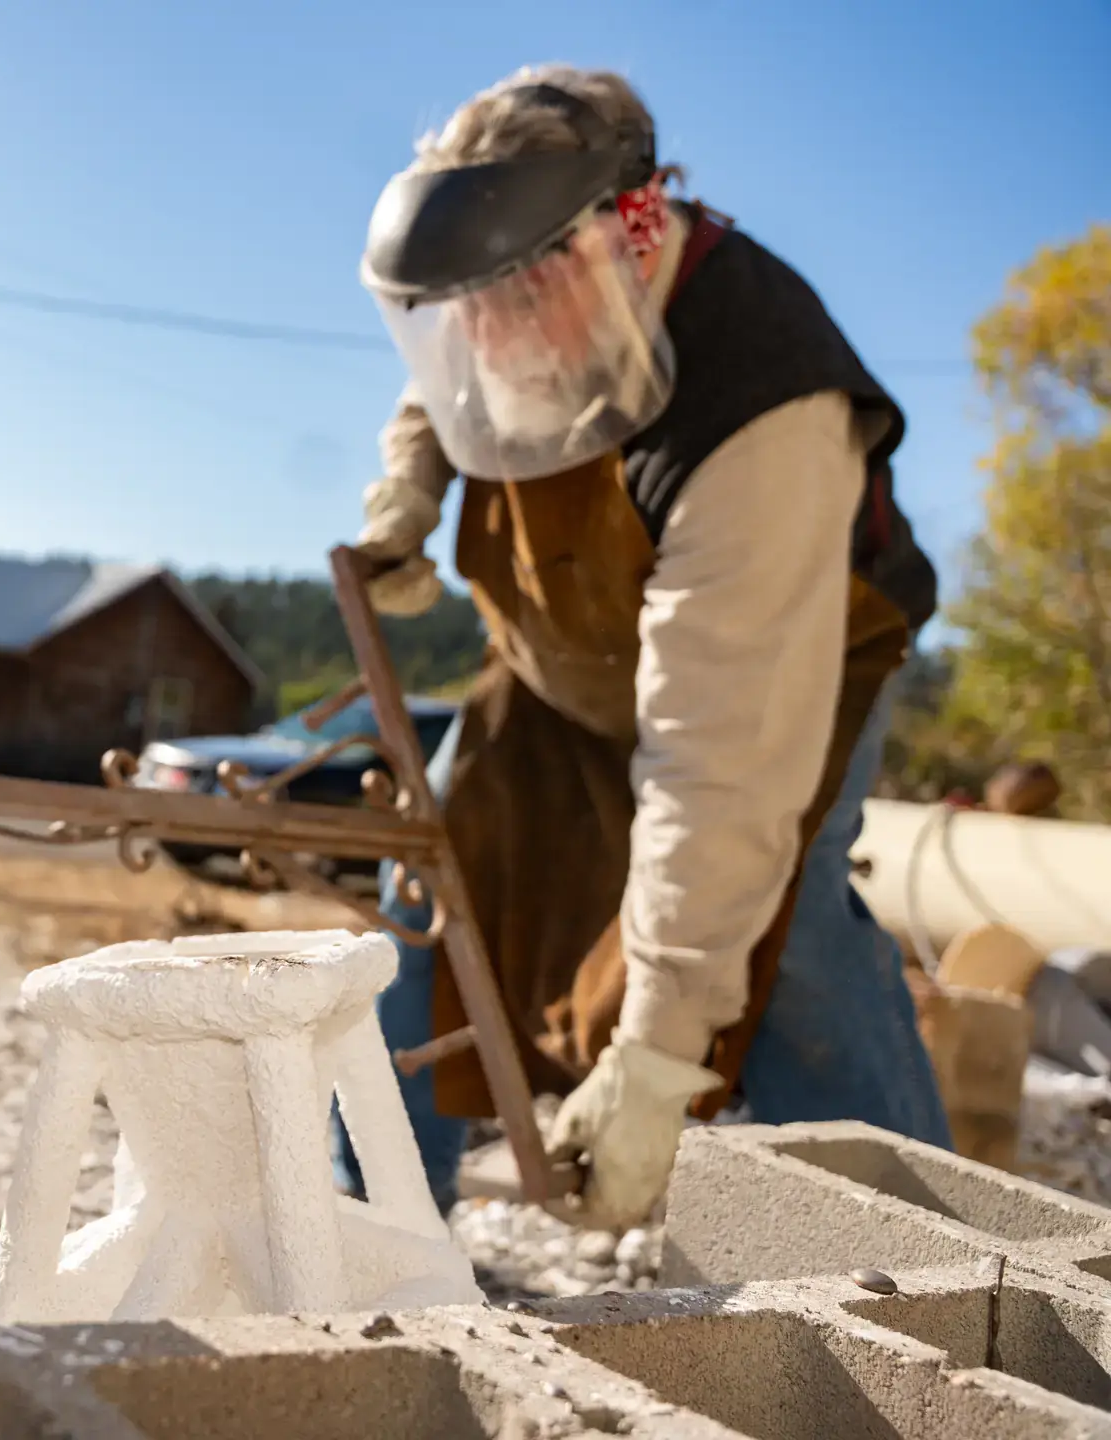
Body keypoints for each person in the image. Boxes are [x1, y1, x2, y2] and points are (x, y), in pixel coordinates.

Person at [332, 65, 951, 1228]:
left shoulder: (761, 398)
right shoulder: (507, 296)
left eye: (519, 299)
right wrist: (408, 494)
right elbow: (441, 390)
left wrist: (656, 1062)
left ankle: (924, 1248)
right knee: (427, 865)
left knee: (790, 926)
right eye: (469, 305)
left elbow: (717, 763)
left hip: (787, 658)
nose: (490, 338)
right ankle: (373, 1220)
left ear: (623, 238)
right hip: (562, 663)